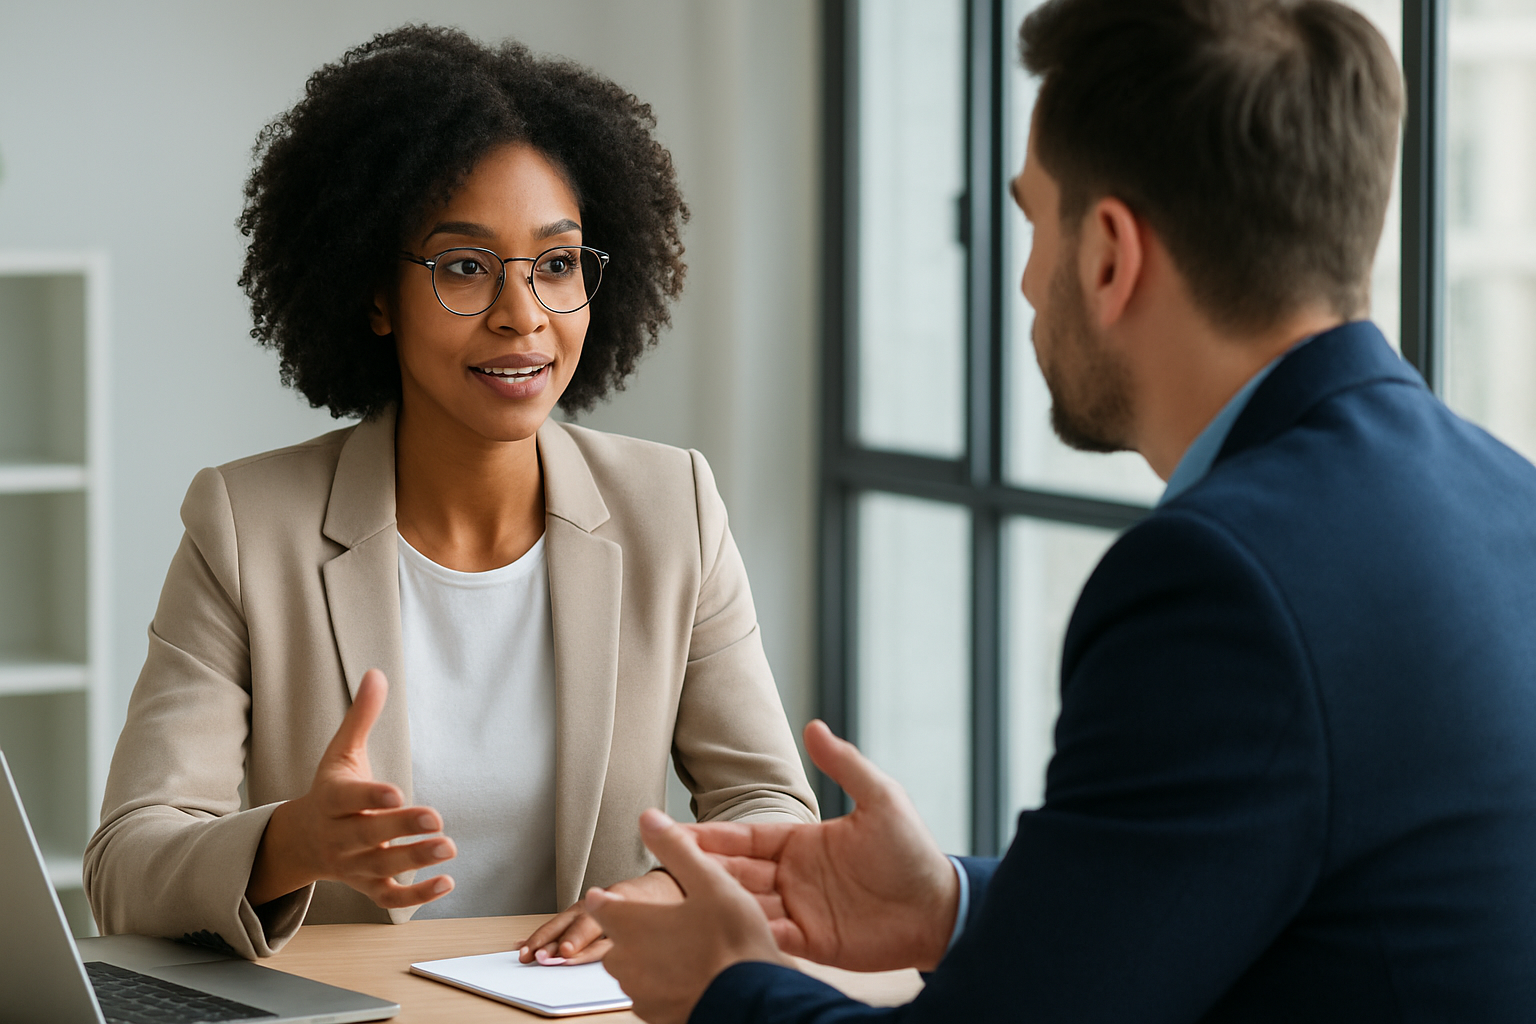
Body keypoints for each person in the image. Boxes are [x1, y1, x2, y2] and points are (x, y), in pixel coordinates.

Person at [583, 0, 1536, 1020]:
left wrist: (724, 988)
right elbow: (1280, 905)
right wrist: (950, 903)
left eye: (1034, 220)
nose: (1030, 280)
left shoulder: (1224, 582)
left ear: (1111, 253)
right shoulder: (1504, 496)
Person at [83, 26, 817, 962]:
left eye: (556, 265)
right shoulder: (245, 526)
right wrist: (289, 843)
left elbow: (770, 807)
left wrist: (665, 884)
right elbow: (124, 871)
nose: (523, 316)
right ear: (377, 294)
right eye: (465, 267)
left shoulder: (673, 506)